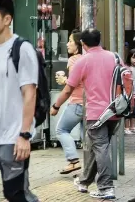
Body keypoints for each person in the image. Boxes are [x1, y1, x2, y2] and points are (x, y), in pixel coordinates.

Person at [53, 29, 121, 199]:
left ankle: (106, 187)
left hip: (96, 113)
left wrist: (55, 105)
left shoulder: (83, 61)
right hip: (115, 111)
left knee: (101, 148)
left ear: (82, 43)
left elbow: (68, 89)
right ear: (99, 40)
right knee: (95, 147)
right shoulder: (114, 57)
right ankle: (84, 181)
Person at [0, 0, 39, 201]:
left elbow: (29, 93)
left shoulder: (22, 49)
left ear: (7, 19)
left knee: (16, 195)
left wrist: (24, 135)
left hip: (12, 138)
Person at [55, 31, 84, 175]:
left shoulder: (73, 60)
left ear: (78, 45)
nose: (67, 44)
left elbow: (73, 83)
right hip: (90, 104)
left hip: (77, 103)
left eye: (70, 41)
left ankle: (73, 161)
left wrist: (64, 81)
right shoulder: (88, 59)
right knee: (88, 139)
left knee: (61, 130)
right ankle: (96, 168)